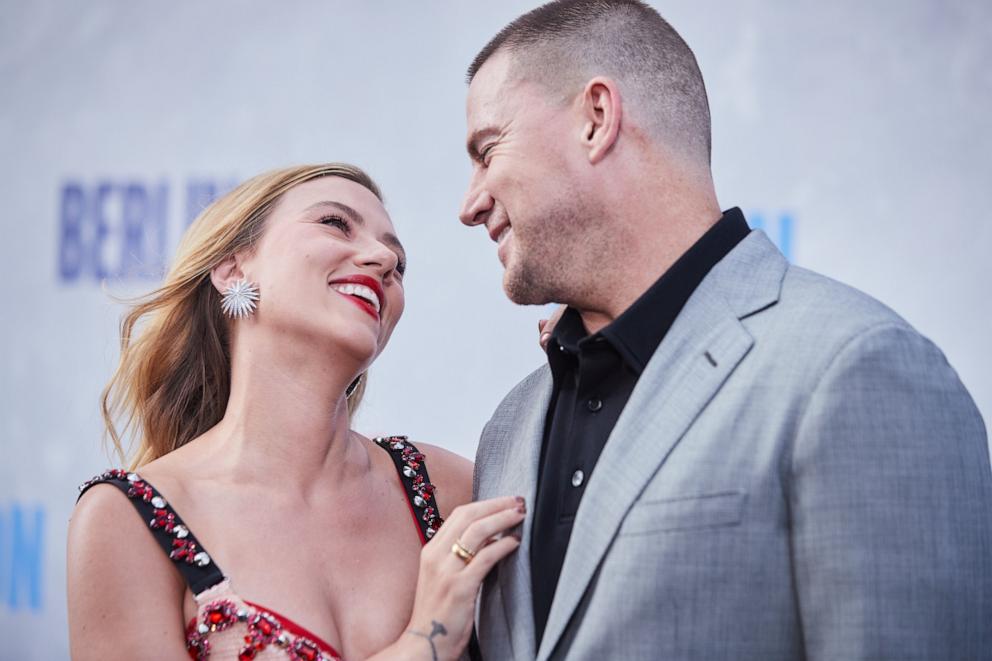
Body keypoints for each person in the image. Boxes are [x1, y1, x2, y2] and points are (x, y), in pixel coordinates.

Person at [459, 1, 992, 660]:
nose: (469, 202)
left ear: (596, 119)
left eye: (487, 150)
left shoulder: (855, 367)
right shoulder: (507, 428)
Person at [67, 163, 524, 661]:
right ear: (233, 269)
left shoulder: (449, 489)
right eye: (335, 223)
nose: (383, 258)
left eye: (398, 259)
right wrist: (424, 641)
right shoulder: (126, 522)